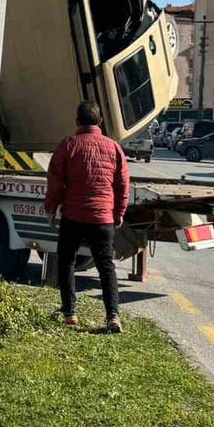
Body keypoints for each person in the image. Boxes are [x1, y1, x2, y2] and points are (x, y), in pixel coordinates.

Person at [44, 101, 130, 332]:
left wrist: (51, 208)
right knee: (105, 266)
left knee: (67, 261)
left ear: (77, 122)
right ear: (100, 122)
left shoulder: (69, 145)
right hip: (102, 219)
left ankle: (70, 312)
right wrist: (119, 213)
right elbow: (123, 184)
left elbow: (55, 181)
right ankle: (113, 316)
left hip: (73, 215)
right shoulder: (114, 148)